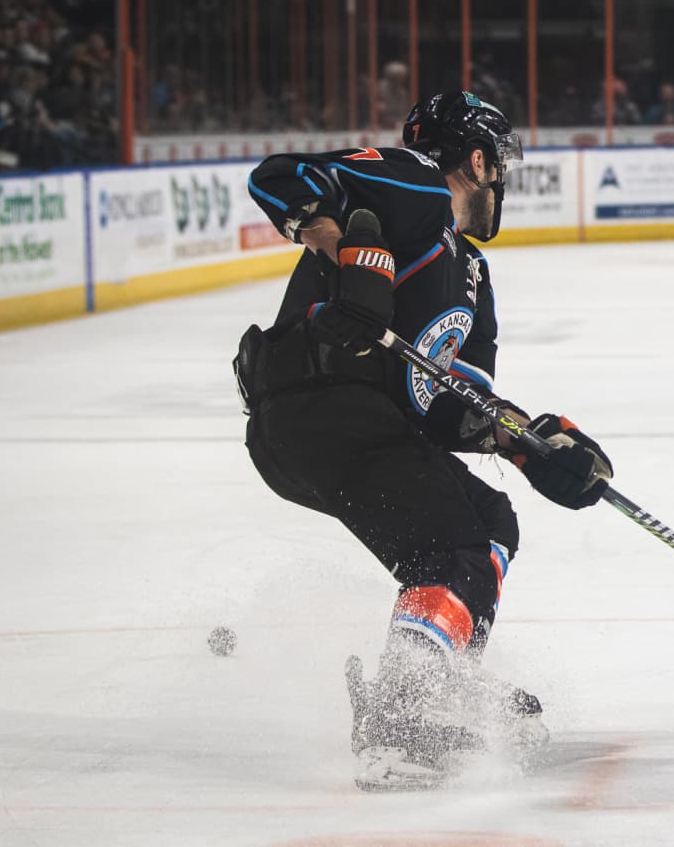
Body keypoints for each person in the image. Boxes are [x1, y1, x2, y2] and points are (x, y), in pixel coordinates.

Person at [234, 92, 612, 790]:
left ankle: (439, 683)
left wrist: (532, 444)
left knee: (487, 524)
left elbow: (447, 403)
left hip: (347, 427)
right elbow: (280, 175)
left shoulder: (472, 276)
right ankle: (396, 718)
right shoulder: (414, 183)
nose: (501, 180)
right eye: (497, 163)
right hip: (319, 405)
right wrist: (333, 235)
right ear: (475, 158)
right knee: (453, 544)